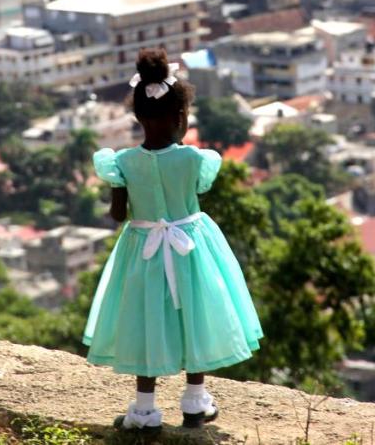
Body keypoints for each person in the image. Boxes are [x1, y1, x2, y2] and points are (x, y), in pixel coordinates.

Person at [83, 48, 262, 431]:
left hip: (142, 249)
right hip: (192, 246)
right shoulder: (196, 160)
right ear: (181, 118)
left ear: (137, 117)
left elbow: (118, 214)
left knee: (146, 321)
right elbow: (196, 190)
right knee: (194, 316)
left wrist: (123, 190)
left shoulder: (122, 162)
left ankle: (144, 411)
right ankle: (195, 402)